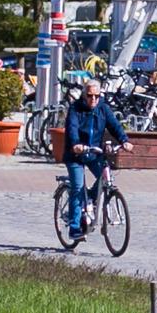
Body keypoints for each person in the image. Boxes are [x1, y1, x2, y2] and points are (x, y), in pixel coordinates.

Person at [61, 74, 125, 238]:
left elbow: (114, 125)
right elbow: (72, 128)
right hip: (75, 155)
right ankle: (74, 227)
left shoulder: (103, 108)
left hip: (94, 153)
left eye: (97, 96)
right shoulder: (75, 109)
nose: (94, 99)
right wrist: (76, 144)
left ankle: (90, 197)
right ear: (84, 95)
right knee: (77, 187)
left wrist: (124, 140)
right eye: (90, 96)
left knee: (106, 177)